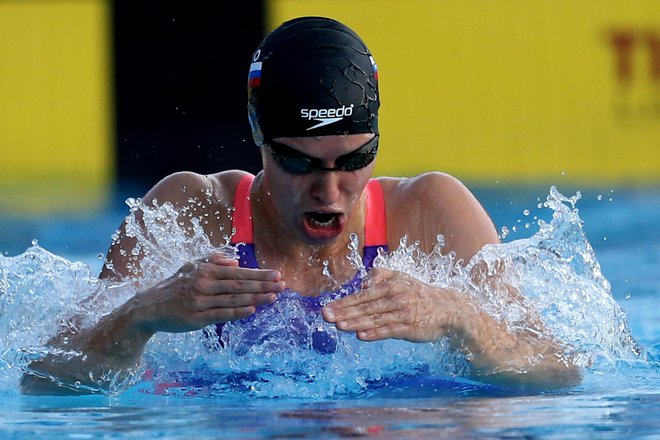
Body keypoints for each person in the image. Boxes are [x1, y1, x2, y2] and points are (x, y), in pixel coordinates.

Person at [21, 16, 580, 395]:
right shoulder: (190, 211)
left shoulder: (430, 213)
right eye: (302, 163)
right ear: (259, 137)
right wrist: (139, 315)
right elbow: (44, 380)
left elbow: (558, 371)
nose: (330, 191)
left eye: (353, 160)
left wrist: (460, 318)